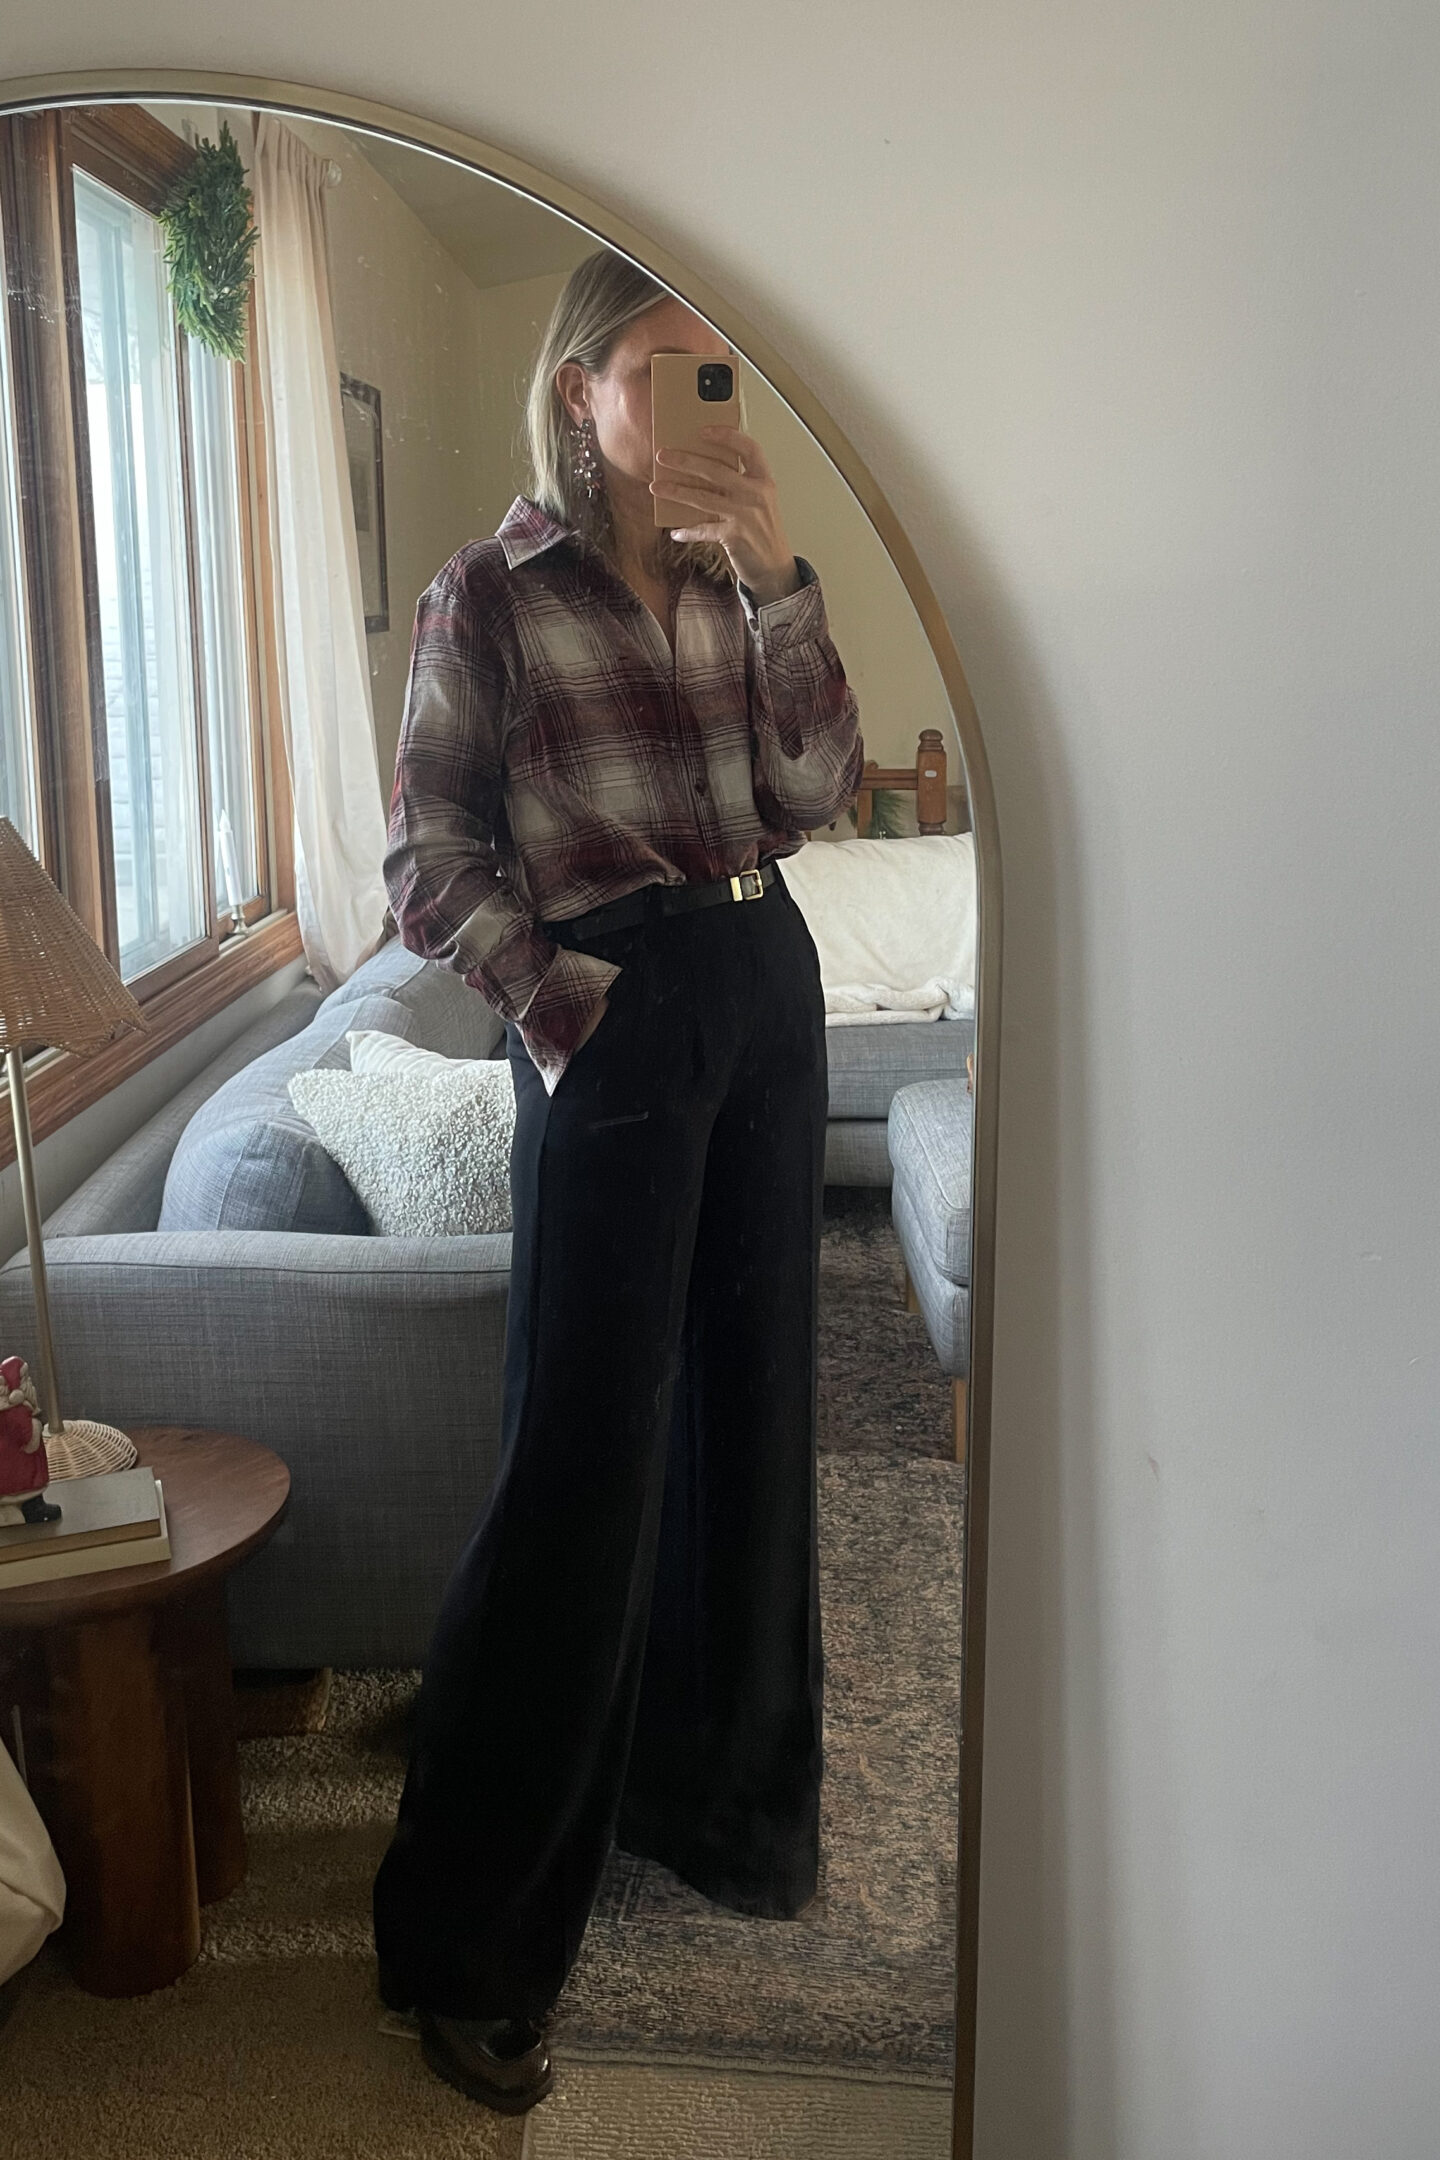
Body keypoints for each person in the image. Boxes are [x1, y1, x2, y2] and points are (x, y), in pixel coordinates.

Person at [371, 248, 864, 2116]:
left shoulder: (748, 580)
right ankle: (471, 1935)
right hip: (617, 1009)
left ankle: (718, 1805)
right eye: (664, 371)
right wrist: (575, 1012)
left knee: (753, 1425)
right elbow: (426, 856)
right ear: (580, 390)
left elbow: (814, 789)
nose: (693, 407)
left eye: (720, 374)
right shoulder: (485, 596)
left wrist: (783, 585)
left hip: (771, 989)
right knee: (581, 1461)